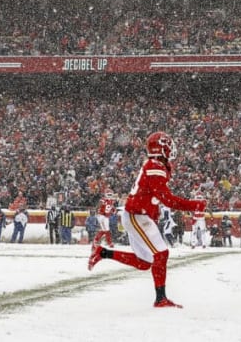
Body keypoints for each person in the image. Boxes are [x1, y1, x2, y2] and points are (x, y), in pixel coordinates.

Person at [87, 131, 207, 308]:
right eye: (168, 145)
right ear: (162, 148)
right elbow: (168, 199)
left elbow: (156, 197)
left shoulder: (155, 165)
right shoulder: (155, 166)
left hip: (138, 215)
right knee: (162, 254)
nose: (171, 149)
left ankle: (103, 252)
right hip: (137, 215)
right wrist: (194, 205)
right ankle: (161, 299)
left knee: (145, 263)